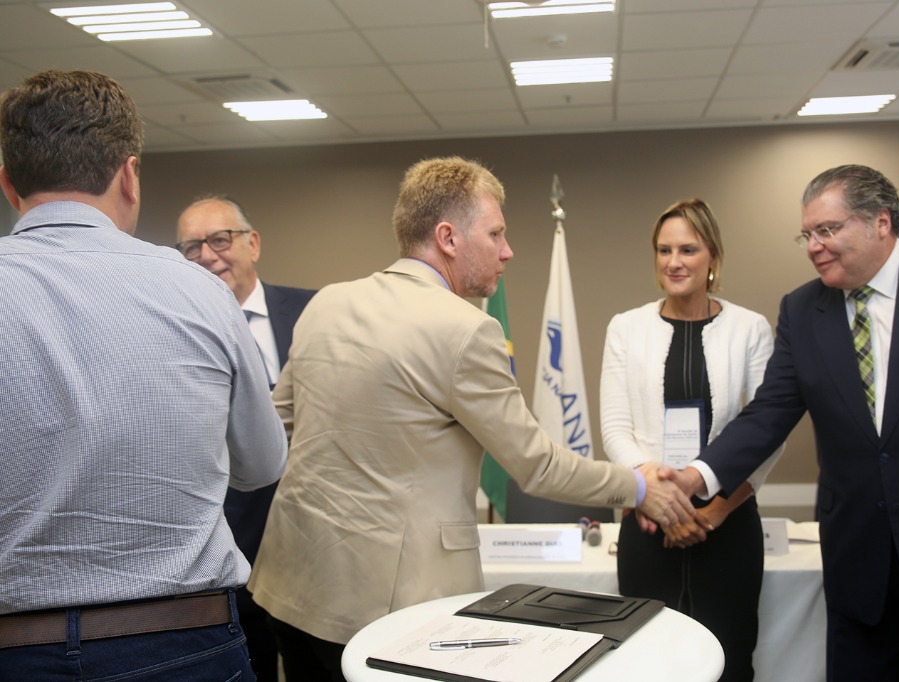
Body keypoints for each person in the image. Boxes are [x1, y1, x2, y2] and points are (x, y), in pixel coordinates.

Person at [247, 156, 693, 681]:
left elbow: (275, 431)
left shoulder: (328, 303)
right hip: (388, 614)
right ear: (448, 238)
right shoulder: (465, 330)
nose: (508, 250)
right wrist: (640, 487)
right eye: (495, 233)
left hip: (291, 587)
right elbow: (538, 467)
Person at [670, 164, 899, 682]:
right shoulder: (801, 310)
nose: (813, 247)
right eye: (807, 235)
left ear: (881, 222)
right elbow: (770, 412)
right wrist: (696, 476)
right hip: (860, 565)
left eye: (827, 230)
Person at [0, 70, 287, 680]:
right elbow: (263, 465)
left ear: (7, 183)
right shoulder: (202, 291)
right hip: (184, 643)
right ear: (129, 176)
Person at [599, 198, 782, 682]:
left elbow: (767, 432)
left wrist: (715, 510)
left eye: (688, 249)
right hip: (646, 522)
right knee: (644, 663)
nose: (674, 262)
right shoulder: (626, 328)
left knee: (730, 660)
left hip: (727, 523)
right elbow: (615, 428)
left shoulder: (749, 329)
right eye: (664, 250)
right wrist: (654, 497)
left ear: (712, 257)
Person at [176, 195, 317, 681]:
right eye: (191, 248)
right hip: (234, 547)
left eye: (220, 240)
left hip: (314, 539)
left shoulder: (313, 310)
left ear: (252, 244)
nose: (207, 256)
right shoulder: (177, 326)